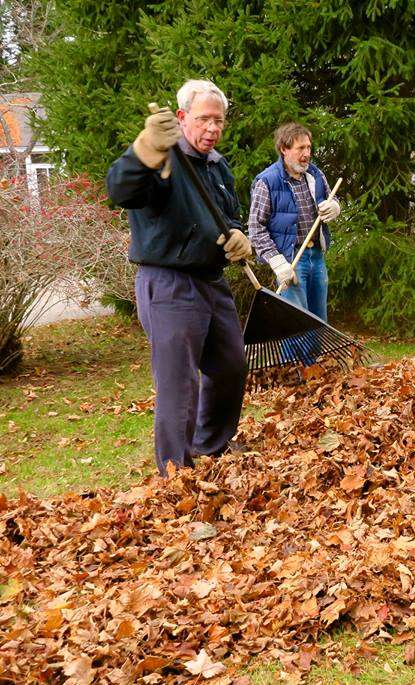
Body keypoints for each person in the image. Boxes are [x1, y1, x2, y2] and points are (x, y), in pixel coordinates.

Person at [106, 79, 251, 475]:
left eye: (219, 121)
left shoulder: (217, 166)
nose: (212, 129)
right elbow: (121, 189)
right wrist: (144, 150)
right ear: (183, 117)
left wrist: (239, 234)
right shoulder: (162, 159)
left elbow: (229, 215)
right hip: (169, 283)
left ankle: (211, 446)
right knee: (179, 384)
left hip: (210, 280)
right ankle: (176, 474)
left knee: (231, 366)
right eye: (204, 119)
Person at [248, 122, 340, 321]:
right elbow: (256, 229)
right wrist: (277, 262)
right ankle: (293, 355)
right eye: (300, 148)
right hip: (290, 260)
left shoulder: (315, 174)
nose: (307, 153)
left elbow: (331, 198)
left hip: (316, 256)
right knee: (296, 321)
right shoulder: (267, 181)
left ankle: (314, 354)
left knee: (318, 321)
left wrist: (334, 207)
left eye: (308, 147)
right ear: (284, 149)